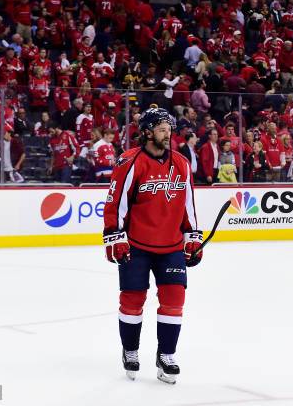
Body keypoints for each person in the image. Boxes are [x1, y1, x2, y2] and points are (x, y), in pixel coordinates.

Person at [102, 108, 202, 384]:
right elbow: (115, 203)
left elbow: (188, 204)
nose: (167, 133)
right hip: (136, 245)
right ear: (146, 132)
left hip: (170, 247)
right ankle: (131, 351)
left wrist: (192, 235)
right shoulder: (130, 161)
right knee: (132, 301)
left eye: (168, 128)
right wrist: (114, 236)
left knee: (174, 302)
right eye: (160, 128)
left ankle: (166, 355)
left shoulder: (181, 163)